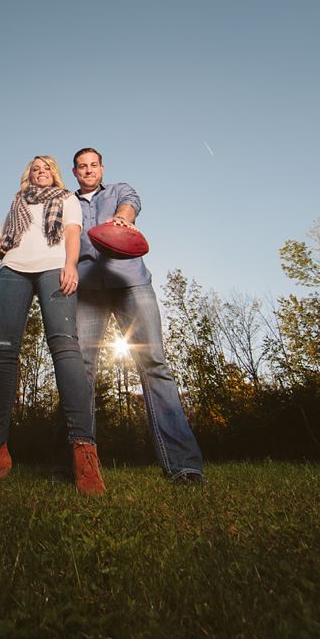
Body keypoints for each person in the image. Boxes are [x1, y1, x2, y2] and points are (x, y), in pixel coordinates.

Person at [0, 155, 106, 495]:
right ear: (29, 176)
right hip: (13, 272)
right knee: (4, 354)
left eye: (45, 168)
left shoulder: (66, 198)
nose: (40, 173)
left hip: (54, 268)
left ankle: (83, 451)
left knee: (66, 349)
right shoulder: (18, 202)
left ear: (54, 174)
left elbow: (72, 233)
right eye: (34, 169)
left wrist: (71, 265)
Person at [63, 147, 204, 483]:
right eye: (82, 167)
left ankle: (183, 465)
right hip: (87, 291)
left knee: (154, 362)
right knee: (79, 372)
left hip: (131, 283)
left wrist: (124, 217)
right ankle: (76, 466)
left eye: (93, 165)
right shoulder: (67, 202)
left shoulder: (119, 191)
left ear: (101, 168)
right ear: (74, 171)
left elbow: (132, 203)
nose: (88, 170)